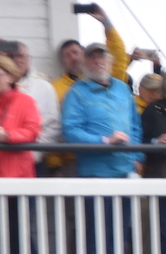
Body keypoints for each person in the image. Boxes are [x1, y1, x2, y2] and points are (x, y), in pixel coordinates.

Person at [60, 43, 141, 179]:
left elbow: (135, 125)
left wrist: (137, 156)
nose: (97, 61)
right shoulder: (76, 92)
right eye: (92, 58)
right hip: (95, 173)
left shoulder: (122, 88)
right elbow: (70, 131)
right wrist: (105, 141)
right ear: (84, 63)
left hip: (127, 170)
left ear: (110, 61)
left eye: (102, 57)